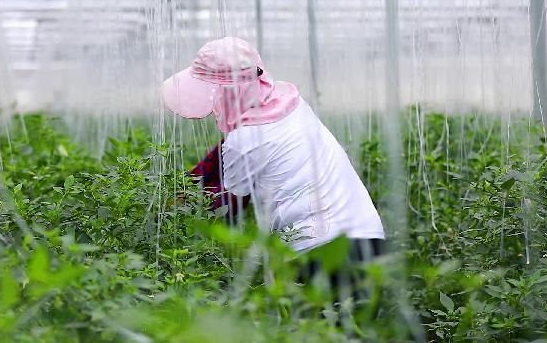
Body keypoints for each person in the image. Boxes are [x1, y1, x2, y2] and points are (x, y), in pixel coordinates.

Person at [161, 37, 385, 302]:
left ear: (225, 93)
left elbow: (225, 205)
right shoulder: (292, 105)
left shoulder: (243, 141)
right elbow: (238, 152)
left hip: (320, 251)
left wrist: (178, 214)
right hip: (369, 239)